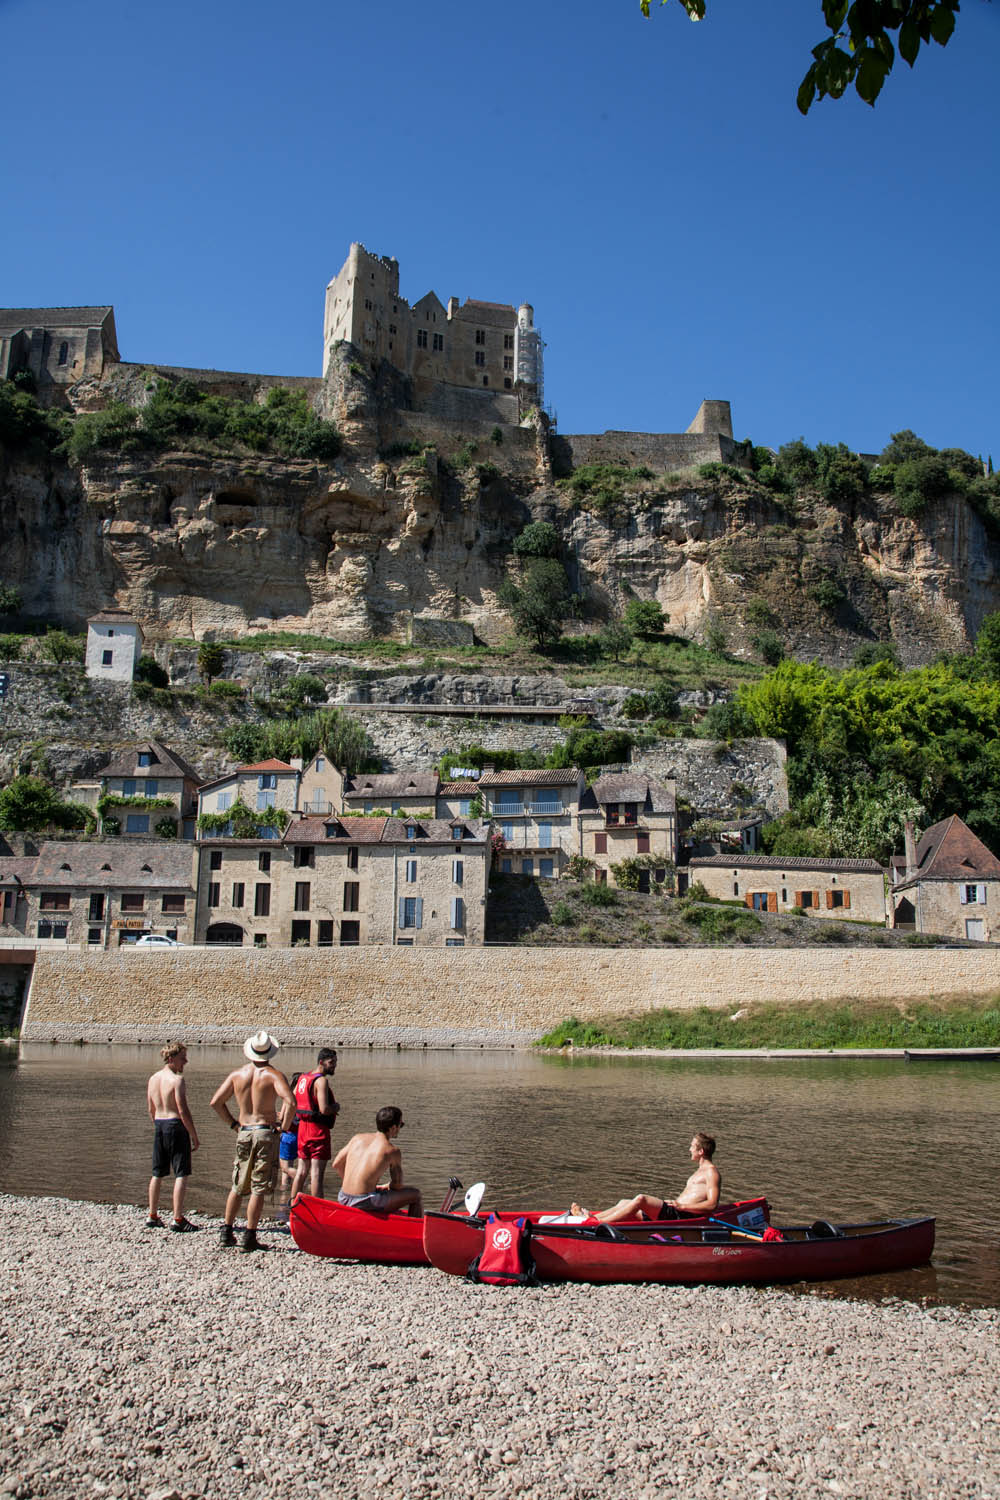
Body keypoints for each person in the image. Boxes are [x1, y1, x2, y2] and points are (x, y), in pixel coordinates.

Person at [210, 1030, 294, 1252]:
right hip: (265, 1131)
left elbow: (216, 1102)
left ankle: (226, 1231)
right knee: (259, 1185)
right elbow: (291, 1102)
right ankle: (250, 1235)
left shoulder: (238, 1075)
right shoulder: (274, 1075)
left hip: (244, 1130)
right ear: (270, 1053)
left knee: (238, 1183)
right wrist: (283, 1127)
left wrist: (233, 1125)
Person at [572, 1133, 721, 1224]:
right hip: (675, 1211)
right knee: (624, 1203)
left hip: (681, 1215)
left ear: (701, 1151)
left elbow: (712, 1205)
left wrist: (681, 1206)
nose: (689, 1149)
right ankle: (591, 1217)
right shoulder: (700, 1171)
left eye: (692, 1146)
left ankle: (595, 1223)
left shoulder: (711, 1172)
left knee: (641, 1199)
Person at [146, 1040, 200, 1231]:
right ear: (171, 1059)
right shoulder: (177, 1080)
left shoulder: (153, 1079)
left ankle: (152, 1215)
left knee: (157, 1172)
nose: (185, 1062)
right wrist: (193, 1135)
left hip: (160, 1124)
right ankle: (177, 1218)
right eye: (182, 1058)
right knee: (181, 1173)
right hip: (176, 1125)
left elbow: (151, 1109)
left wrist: (158, 1125)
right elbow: (182, 1109)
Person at [332, 1105, 422, 1217]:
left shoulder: (357, 1138)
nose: (400, 1128)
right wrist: (387, 1185)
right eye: (401, 1125)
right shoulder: (392, 1150)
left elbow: (336, 1164)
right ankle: (415, 1230)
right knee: (416, 1195)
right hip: (363, 1202)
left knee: (378, 1193)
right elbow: (397, 1186)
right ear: (393, 1128)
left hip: (343, 1196)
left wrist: (354, 1184)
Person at [289, 1049, 340, 1203]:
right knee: (316, 1173)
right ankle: (318, 1210)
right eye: (331, 1063)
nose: (334, 1066)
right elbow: (324, 1109)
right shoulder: (321, 1081)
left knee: (301, 1171)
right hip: (318, 1130)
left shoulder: (303, 1078)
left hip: (303, 1129)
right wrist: (336, 1107)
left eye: (335, 1063)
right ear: (321, 1062)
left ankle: (292, 1204)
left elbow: (294, 1101)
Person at [274, 1072, 302, 1225]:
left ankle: (284, 1204)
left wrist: (279, 1118)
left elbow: (284, 1118)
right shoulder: (306, 1099)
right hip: (301, 1136)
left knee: (285, 1168)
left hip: (288, 1135)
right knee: (297, 1164)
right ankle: (289, 1199)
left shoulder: (288, 1098)